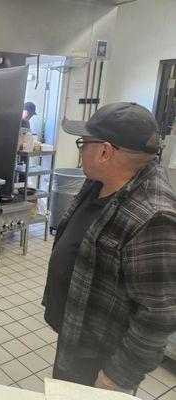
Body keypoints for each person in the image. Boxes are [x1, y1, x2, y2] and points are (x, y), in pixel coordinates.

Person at [43, 102, 176, 393]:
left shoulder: (154, 216)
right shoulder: (100, 183)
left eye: (83, 143)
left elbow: (159, 314)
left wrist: (118, 376)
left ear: (104, 152)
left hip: (101, 357)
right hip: (76, 335)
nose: (80, 151)